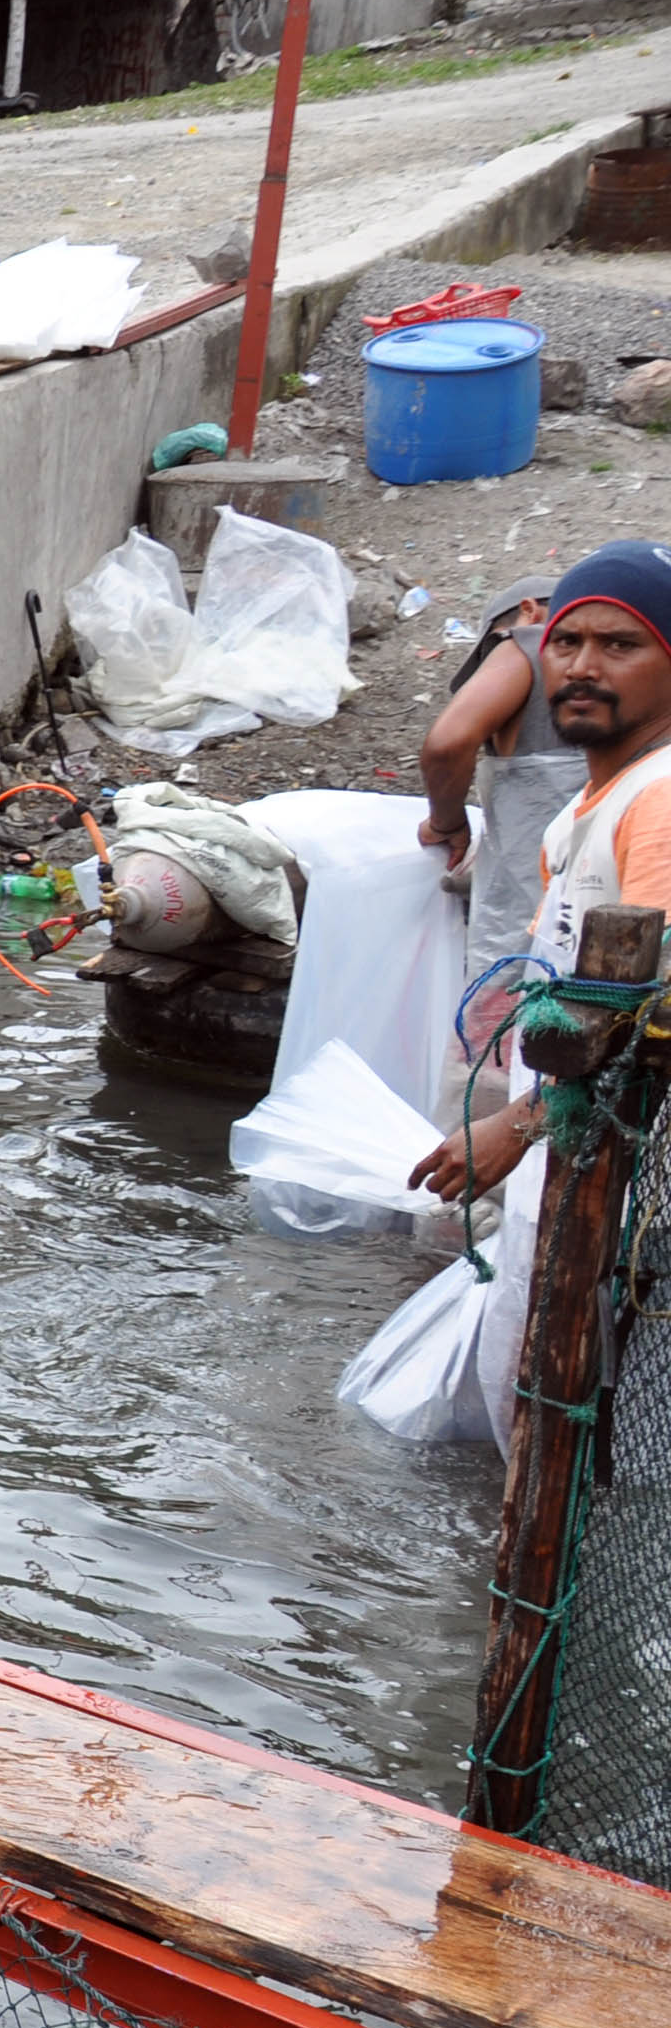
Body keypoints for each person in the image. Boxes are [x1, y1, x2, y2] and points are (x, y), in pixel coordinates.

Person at [410, 543, 671, 1442]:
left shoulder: (662, 796)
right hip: (572, 1163)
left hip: (624, 1186)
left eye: (621, 645)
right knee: (538, 1411)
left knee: (586, 1426)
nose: (583, 667)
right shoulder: (590, 806)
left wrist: (514, 1128)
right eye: (566, 642)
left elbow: (656, 999)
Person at [420, 570, 573, 1046]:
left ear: (530, 610)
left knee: (503, 1049)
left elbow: (446, 744)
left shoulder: (527, 642)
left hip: (532, 914)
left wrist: (446, 822)